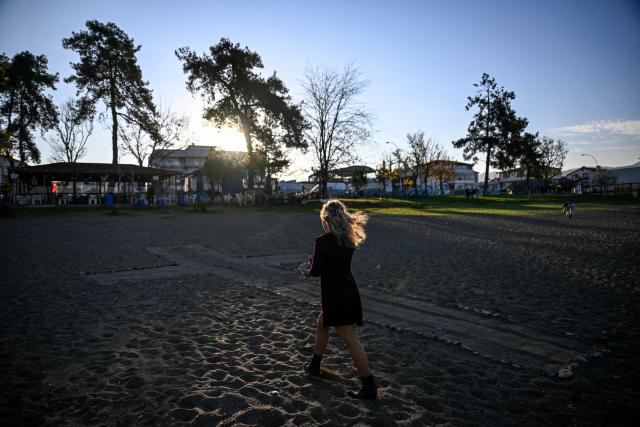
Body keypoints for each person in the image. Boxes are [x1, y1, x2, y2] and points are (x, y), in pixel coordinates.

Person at [298, 199, 377, 400]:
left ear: (326, 220)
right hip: (347, 290)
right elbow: (331, 264)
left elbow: (315, 271)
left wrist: (305, 271)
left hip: (335, 295)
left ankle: (369, 386)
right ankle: (315, 365)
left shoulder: (322, 241)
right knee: (322, 323)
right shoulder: (348, 240)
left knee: (351, 340)